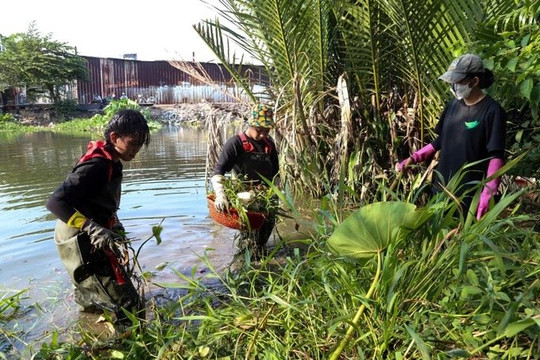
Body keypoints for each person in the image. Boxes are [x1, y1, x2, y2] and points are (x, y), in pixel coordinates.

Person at [46, 109, 150, 325]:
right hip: (77, 237)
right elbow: (55, 203)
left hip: (90, 234)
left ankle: (90, 335)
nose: (136, 151)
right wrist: (93, 228)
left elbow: (100, 200)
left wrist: (115, 224)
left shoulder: (113, 162)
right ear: (114, 137)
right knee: (130, 305)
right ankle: (129, 344)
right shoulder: (97, 165)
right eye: (133, 143)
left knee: (91, 299)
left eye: (140, 145)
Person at [398, 53, 507, 220]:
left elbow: (496, 154)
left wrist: (489, 191)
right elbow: (442, 140)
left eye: (458, 81)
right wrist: (415, 157)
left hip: (468, 196)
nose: (453, 86)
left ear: (475, 81)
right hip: (441, 190)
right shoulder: (453, 106)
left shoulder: (492, 111)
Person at [211, 104, 280, 258]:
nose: (263, 135)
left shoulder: (270, 145)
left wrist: (274, 194)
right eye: (260, 130)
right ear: (251, 124)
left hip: (266, 198)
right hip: (245, 200)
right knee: (247, 240)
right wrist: (221, 195)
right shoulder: (235, 144)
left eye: (267, 130)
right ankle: (244, 264)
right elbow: (218, 172)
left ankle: (261, 258)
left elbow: (276, 174)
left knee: (264, 235)